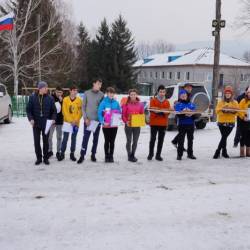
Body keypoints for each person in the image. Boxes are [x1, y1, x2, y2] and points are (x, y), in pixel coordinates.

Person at [26, 81, 57, 165]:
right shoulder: (32, 98)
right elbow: (28, 110)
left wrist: (53, 118)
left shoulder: (50, 98)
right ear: (40, 88)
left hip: (46, 124)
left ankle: (46, 158)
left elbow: (54, 111)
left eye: (47, 87)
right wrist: (31, 119)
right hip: (35, 123)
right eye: (45, 87)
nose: (47, 89)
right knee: (36, 142)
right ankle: (39, 158)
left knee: (45, 141)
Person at [77, 79, 104, 164]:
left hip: (97, 121)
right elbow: (83, 107)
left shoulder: (102, 94)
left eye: (101, 84)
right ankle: (82, 155)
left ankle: (93, 154)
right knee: (85, 138)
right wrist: (85, 118)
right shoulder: (87, 93)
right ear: (94, 84)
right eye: (98, 84)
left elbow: (102, 108)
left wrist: (101, 119)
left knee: (95, 139)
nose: (99, 86)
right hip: (88, 121)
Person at [213, 86, 239, 159]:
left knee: (224, 137)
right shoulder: (221, 102)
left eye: (229, 93)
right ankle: (224, 152)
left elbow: (238, 112)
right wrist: (223, 110)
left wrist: (233, 112)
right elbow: (217, 111)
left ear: (231, 94)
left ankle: (218, 151)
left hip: (230, 122)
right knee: (224, 137)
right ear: (224, 94)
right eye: (226, 93)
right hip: (222, 122)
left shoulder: (235, 102)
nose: (227, 94)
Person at [58, 85, 82, 161]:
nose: (75, 92)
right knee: (65, 138)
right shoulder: (65, 99)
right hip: (67, 123)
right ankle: (62, 153)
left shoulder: (79, 100)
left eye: (76, 90)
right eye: (74, 90)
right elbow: (64, 111)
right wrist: (70, 120)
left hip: (75, 123)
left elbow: (80, 112)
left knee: (73, 138)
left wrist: (75, 120)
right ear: (70, 91)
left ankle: (72, 153)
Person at [98, 87, 121, 163]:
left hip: (114, 125)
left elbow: (120, 112)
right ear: (107, 93)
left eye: (112, 93)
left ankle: (111, 156)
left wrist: (117, 114)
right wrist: (102, 121)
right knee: (107, 141)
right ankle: (106, 156)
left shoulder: (116, 102)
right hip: (106, 125)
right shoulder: (103, 102)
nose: (111, 94)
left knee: (112, 141)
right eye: (109, 93)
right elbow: (99, 113)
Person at [147, 85, 170, 161]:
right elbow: (152, 110)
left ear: (165, 92)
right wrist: (161, 111)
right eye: (160, 92)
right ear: (158, 92)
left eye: (163, 92)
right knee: (152, 139)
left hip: (163, 124)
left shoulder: (167, 101)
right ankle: (150, 154)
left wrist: (160, 112)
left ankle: (158, 155)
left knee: (161, 140)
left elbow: (168, 111)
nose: (162, 93)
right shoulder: (153, 100)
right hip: (154, 123)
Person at [122, 89, 144, 162]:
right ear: (129, 95)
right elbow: (123, 115)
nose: (133, 96)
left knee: (135, 141)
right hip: (128, 125)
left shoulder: (140, 104)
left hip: (137, 125)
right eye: (131, 94)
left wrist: (141, 121)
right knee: (129, 141)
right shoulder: (126, 104)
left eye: (134, 94)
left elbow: (142, 114)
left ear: (136, 95)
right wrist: (126, 121)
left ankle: (133, 155)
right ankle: (129, 154)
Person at [175, 89, 197, 160]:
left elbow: (195, 115)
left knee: (190, 140)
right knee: (181, 140)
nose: (184, 96)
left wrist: (192, 114)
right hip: (182, 125)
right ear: (180, 96)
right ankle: (179, 155)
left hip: (190, 125)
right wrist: (184, 113)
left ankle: (190, 154)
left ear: (187, 96)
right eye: (182, 95)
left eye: (185, 95)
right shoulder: (178, 104)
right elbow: (178, 115)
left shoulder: (191, 104)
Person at [171, 83, 193, 148]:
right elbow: (178, 102)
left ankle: (175, 141)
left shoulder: (190, 95)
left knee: (184, 132)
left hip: (189, 118)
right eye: (187, 87)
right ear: (184, 88)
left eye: (190, 88)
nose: (189, 89)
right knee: (182, 133)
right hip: (181, 117)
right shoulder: (182, 93)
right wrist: (176, 104)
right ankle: (179, 146)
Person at [48, 86, 64, 160]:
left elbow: (64, 110)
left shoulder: (63, 99)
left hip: (60, 121)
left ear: (62, 93)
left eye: (60, 92)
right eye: (57, 92)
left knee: (59, 137)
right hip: (52, 121)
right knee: (49, 137)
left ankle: (58, 151)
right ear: (55, 91)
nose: (59, 94)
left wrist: (62, 101)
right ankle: (50, 151)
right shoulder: (50, 98)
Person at [238, 87, 250, 157]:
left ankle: (248, 152)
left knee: (249, 136)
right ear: (247, 93)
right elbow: (239, 111)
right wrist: (243, 117)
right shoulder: (243, 101)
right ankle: (242, 152)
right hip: (243, 122)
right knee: (243, 137)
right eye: (249, 93)